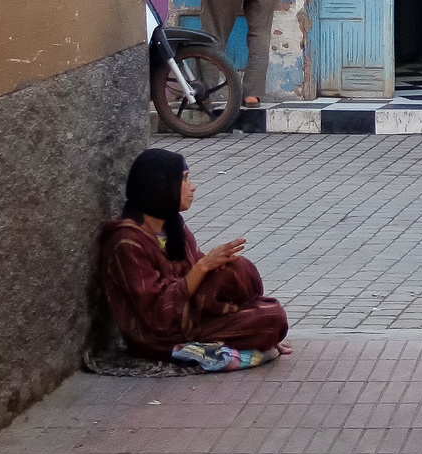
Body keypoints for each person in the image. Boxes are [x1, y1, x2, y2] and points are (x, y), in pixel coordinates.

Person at [100, 149, 290, 362]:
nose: (193, 186)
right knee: (271, 318)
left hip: (189, 316)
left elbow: (197, 280)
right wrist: (202, 267)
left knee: (239, 269)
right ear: (160, 186)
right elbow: (157, 316)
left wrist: (213, 265)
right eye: (184, 179)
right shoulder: (126, 242)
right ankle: (245, 335)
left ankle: (250, 333)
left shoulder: (174, 226)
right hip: (160, 337)